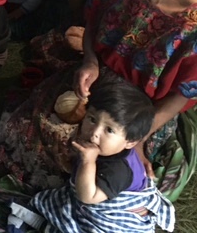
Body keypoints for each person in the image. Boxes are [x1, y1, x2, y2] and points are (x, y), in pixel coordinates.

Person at [0, 0, 197, 197]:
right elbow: (92, 23)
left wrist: (139, 136)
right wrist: (90, 61)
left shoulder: (191, 25)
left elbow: (181, 95)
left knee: (89, 155)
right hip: (100, 81)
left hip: (140, 111)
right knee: (39, 126)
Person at [26, 74, 175, 232]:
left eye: (109, 130)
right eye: (92, 119)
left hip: (113, 218)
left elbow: (87, 197)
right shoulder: (106, 147)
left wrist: (87, 162)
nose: (95, 133)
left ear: (130, 142)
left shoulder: (118, 170)